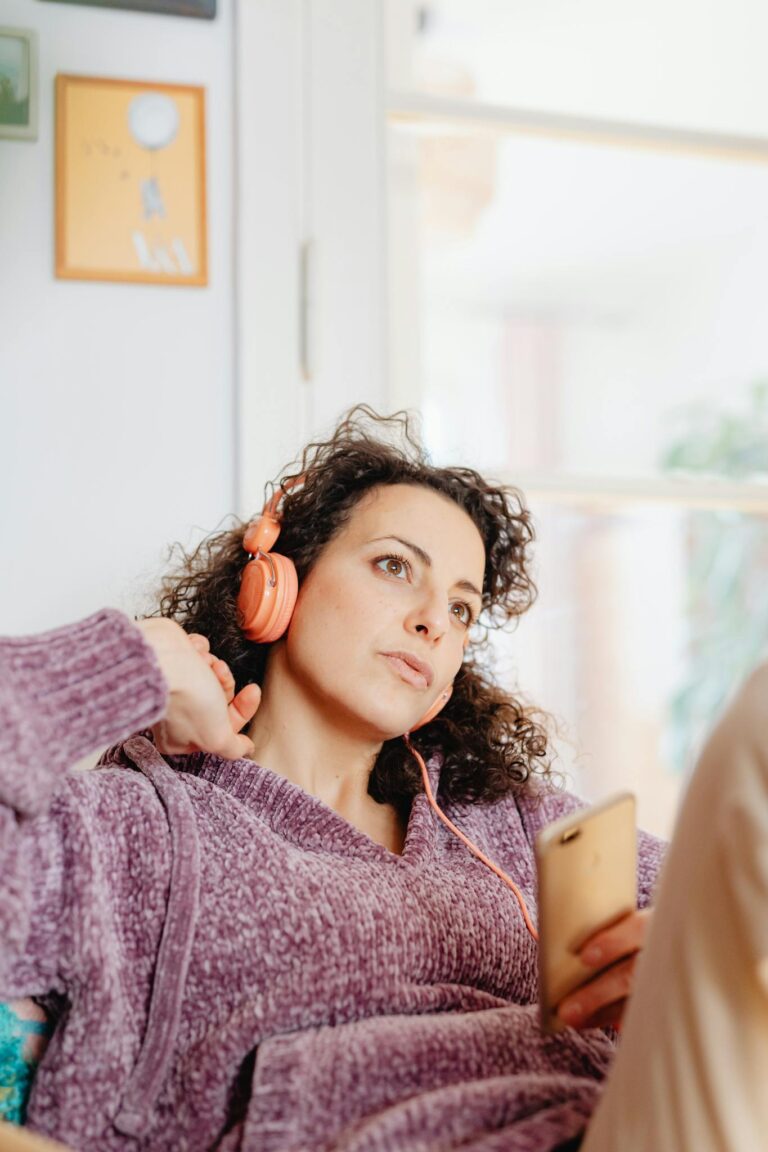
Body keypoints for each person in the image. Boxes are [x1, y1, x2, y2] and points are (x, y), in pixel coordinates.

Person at [0, 407, 760, 1151]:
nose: (435, 620)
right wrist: (134, 660)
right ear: (278, 581)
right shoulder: (137, 828)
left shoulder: (514, 826)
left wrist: (673, 965)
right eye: (396, 567)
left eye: (462, 608)